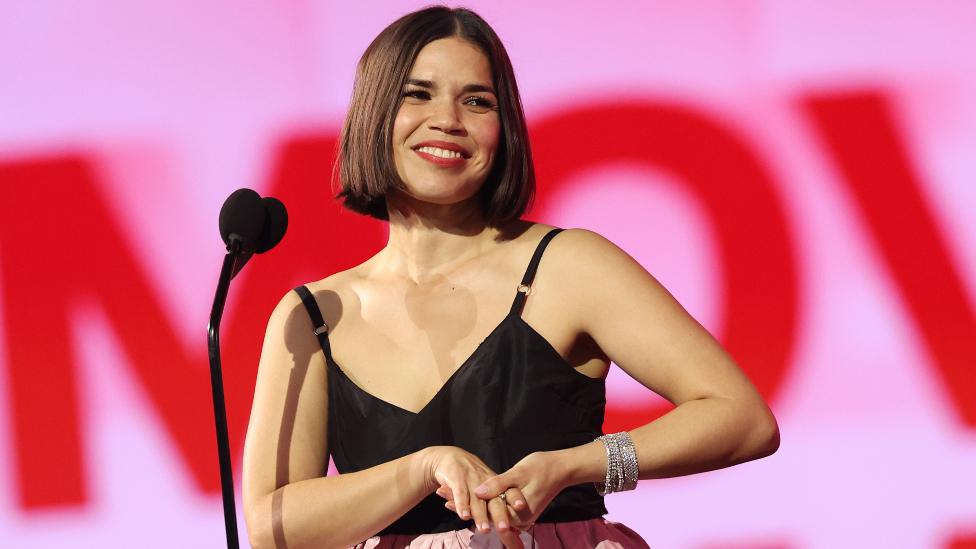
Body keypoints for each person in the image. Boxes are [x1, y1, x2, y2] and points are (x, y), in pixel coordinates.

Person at [242, 6, 780, 549]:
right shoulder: (314, 314)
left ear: (504, 129)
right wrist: (421, 469)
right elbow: (271, 528)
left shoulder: (566, 266)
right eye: (418, 94)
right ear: (373, 113)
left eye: (477, 101)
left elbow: (742, 419)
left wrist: (576, 465)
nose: (448, 119)